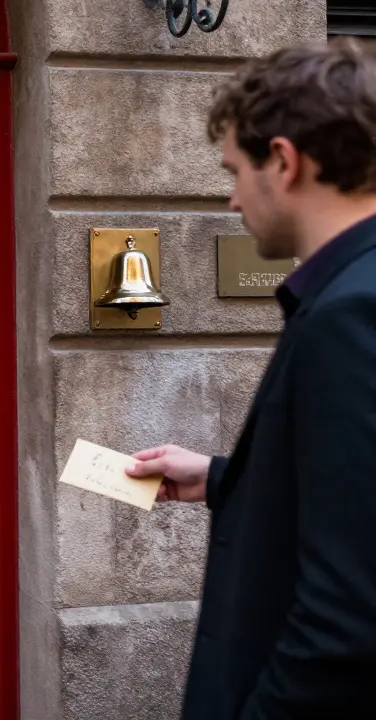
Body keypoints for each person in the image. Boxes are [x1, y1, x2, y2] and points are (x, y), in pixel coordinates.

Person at [126, 39, 376, 719]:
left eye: (236, 171)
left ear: (285, 162)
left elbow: (350, 614)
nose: (233, 199)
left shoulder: (351, 311)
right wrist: (222, 477)